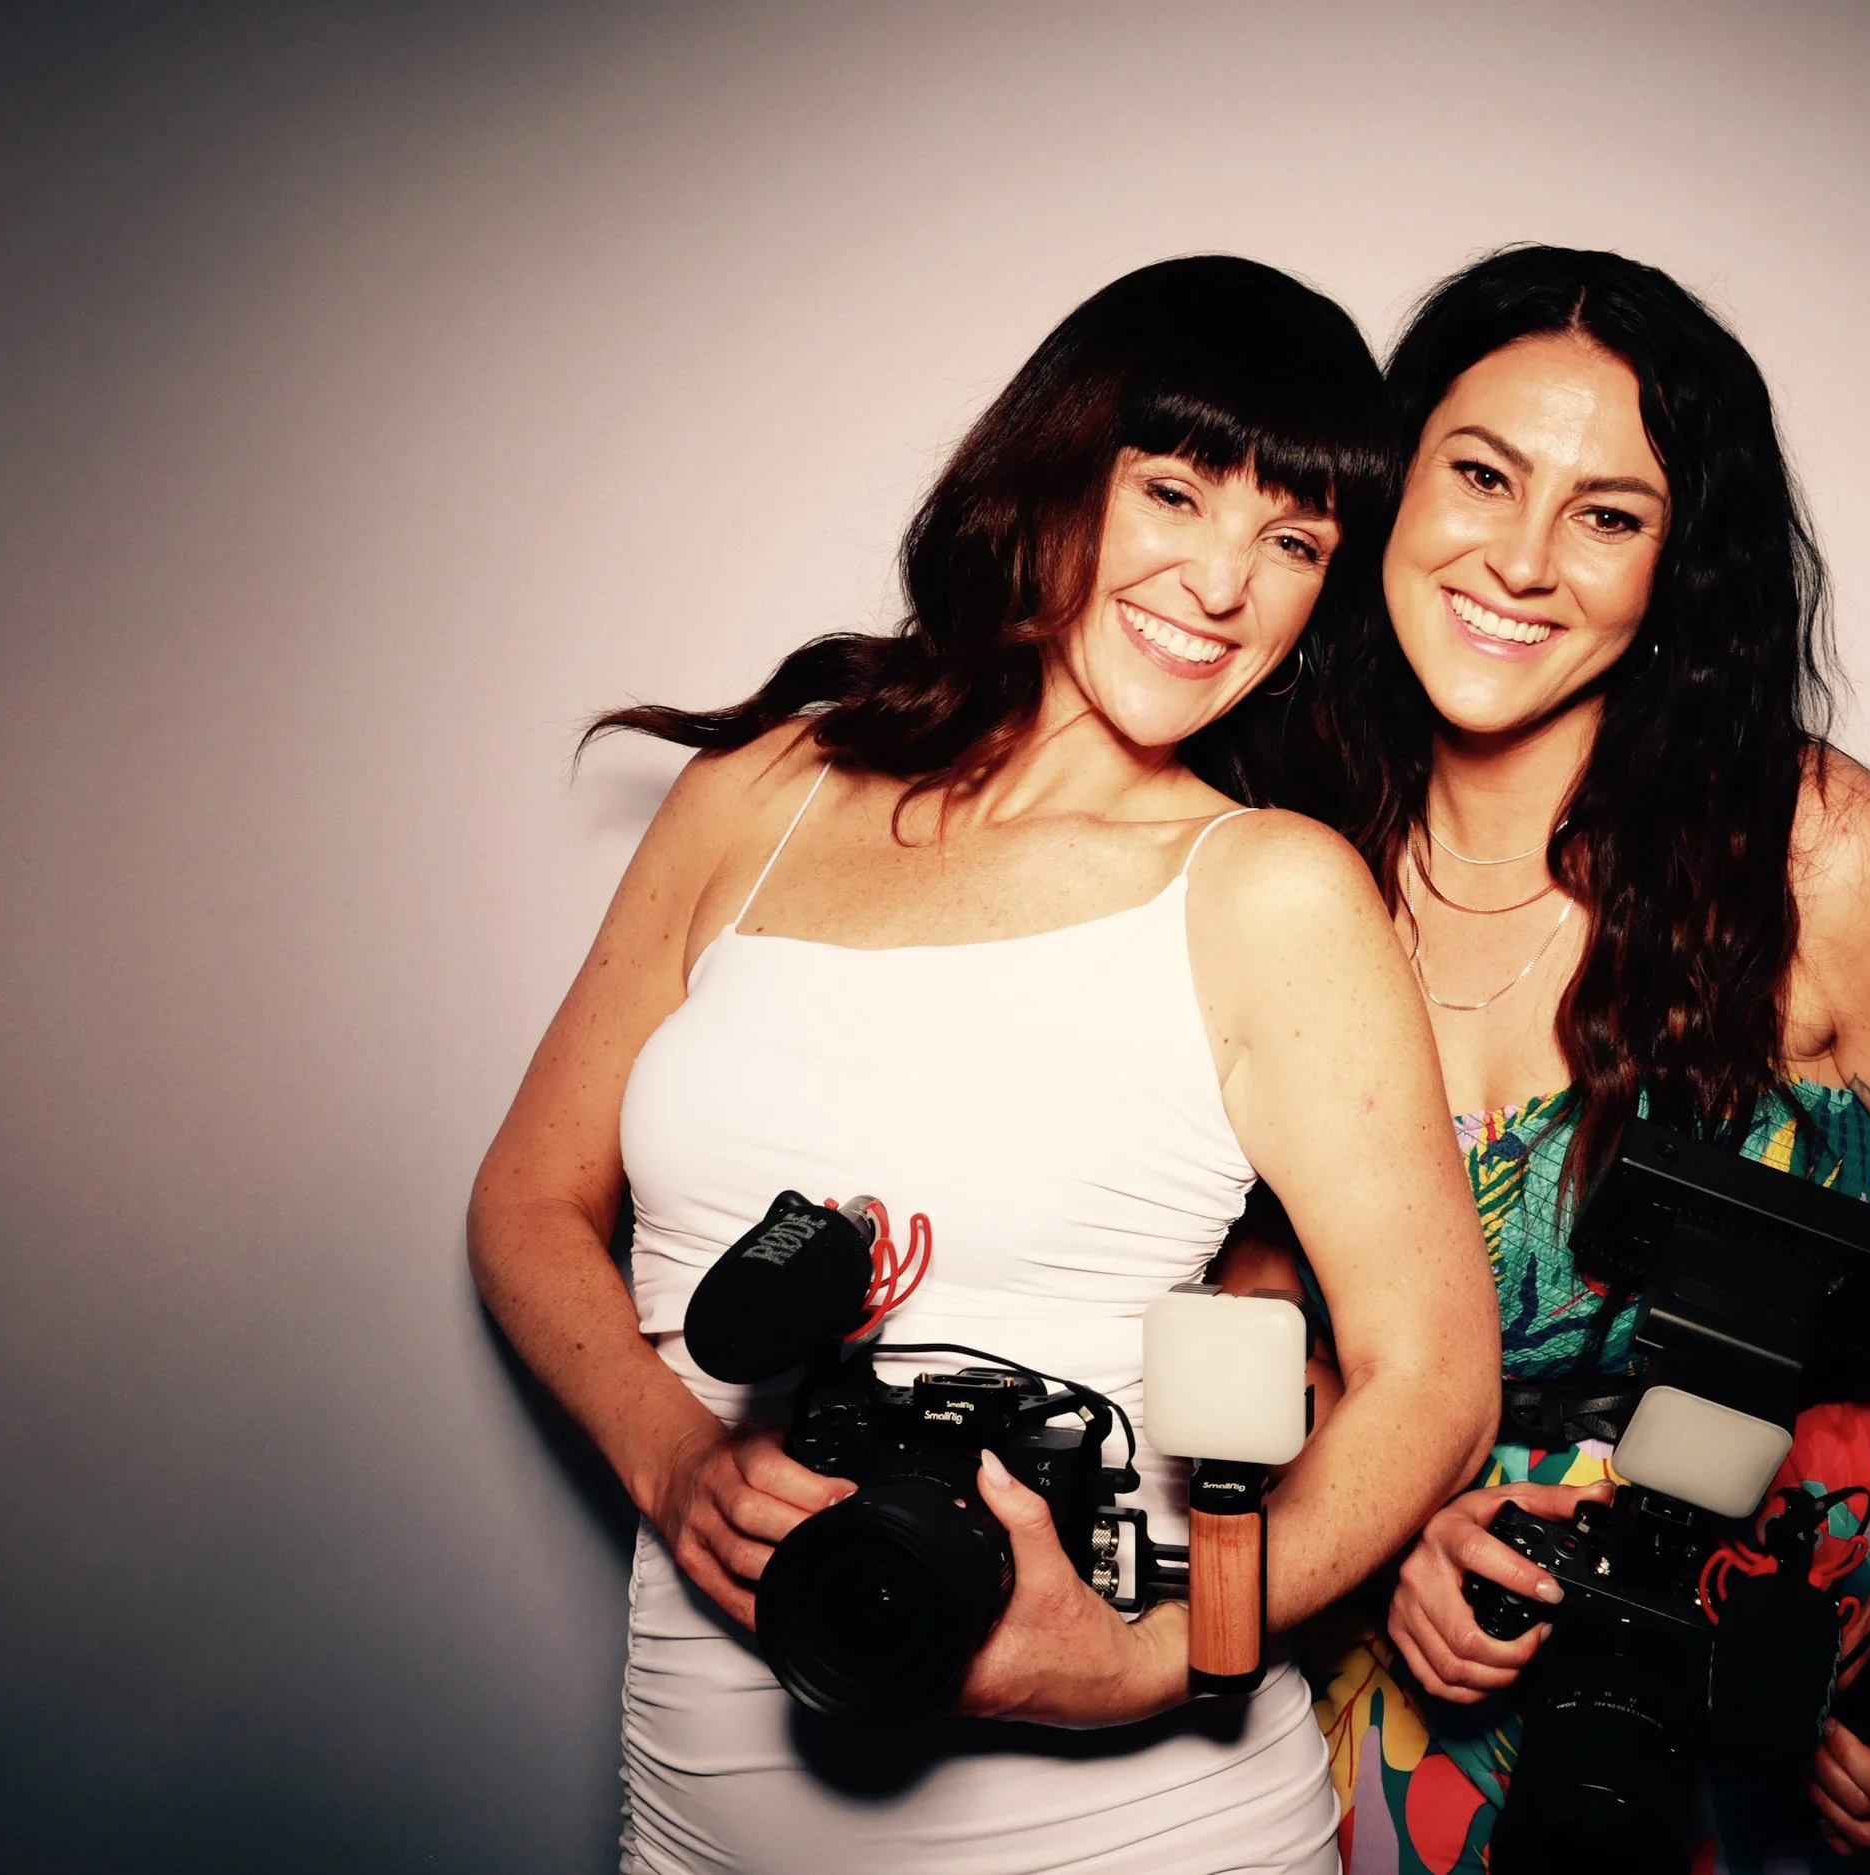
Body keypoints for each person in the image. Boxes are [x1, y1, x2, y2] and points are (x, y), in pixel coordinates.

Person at [467, 256, 1502, 1875]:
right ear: (1056, 468)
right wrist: (674, 1464)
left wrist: (1156, 1657)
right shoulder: (763, 794)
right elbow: (528, 1201)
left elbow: (1436, 1385)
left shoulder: (1273, 890)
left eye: (1292, 542)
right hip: (695, 1821)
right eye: (1174, 491)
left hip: (1140, 1829)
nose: (1221, 584)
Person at [1226, 247, 1870, 1873]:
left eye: (1608, 512)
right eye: (1482, 474)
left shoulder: (1820, 863)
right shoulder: (1269, 858)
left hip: (1804, 1678)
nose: (1522, 558)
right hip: (1450, 1682)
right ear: (1390, 484)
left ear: (1677, 569)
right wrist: (1385, 1543)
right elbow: (1237, 1301)